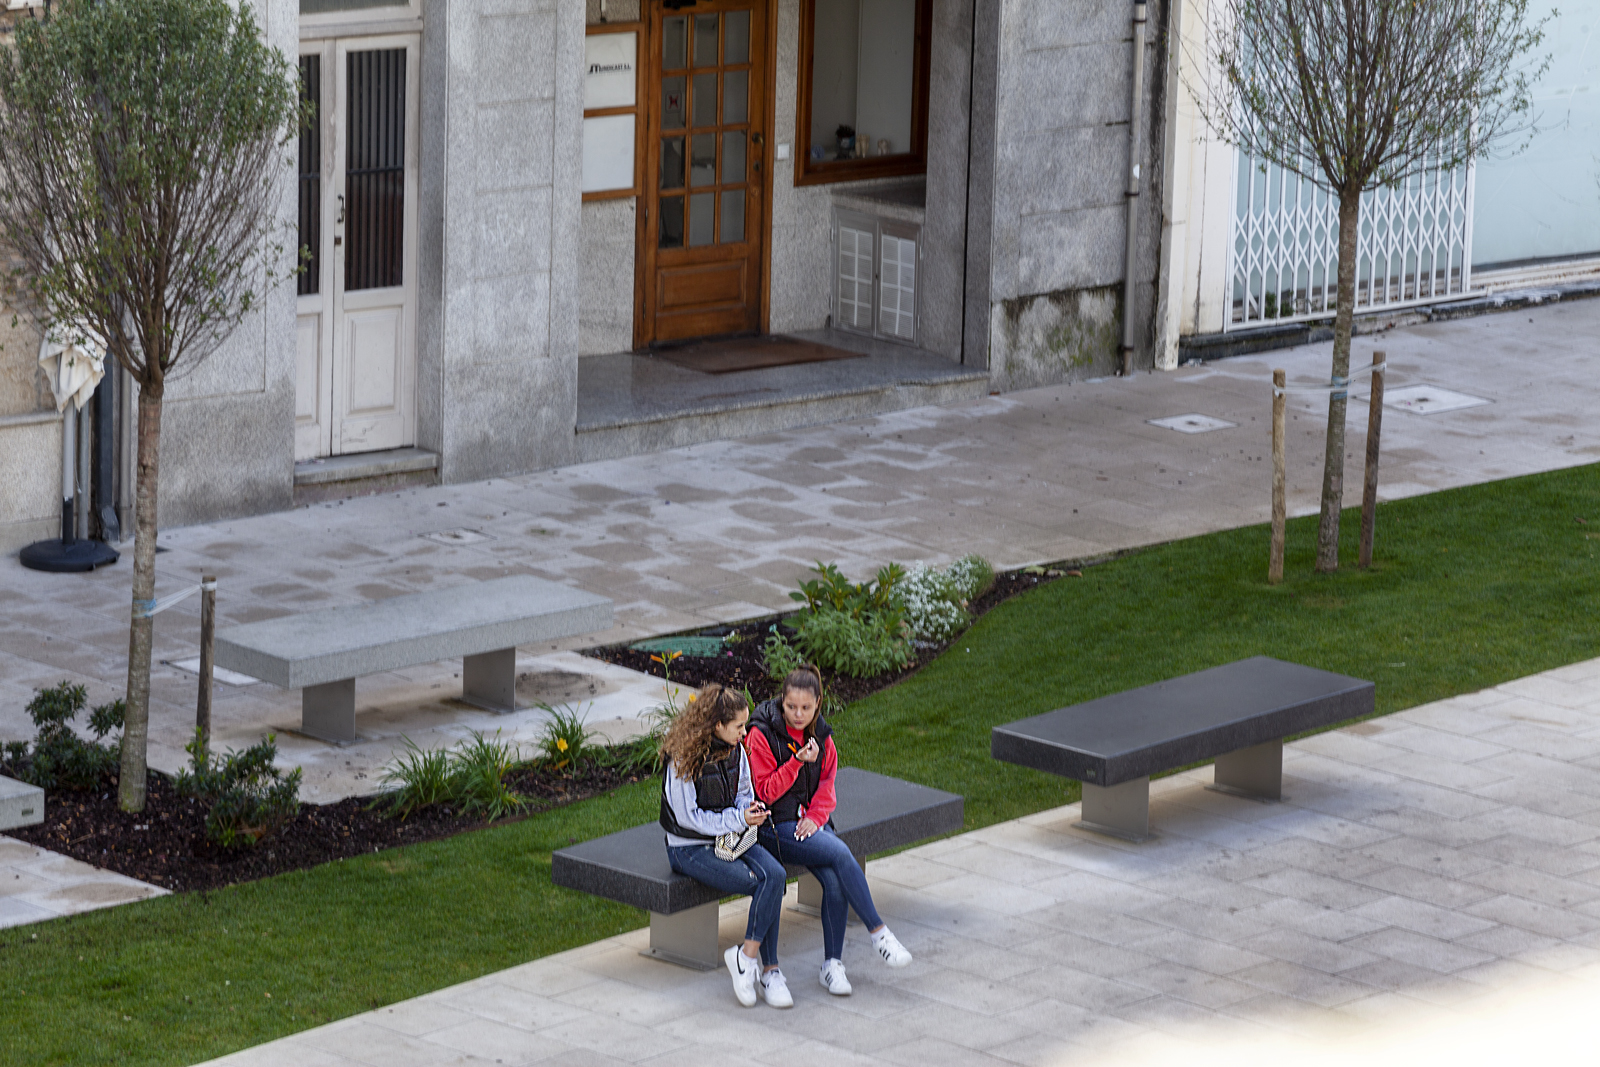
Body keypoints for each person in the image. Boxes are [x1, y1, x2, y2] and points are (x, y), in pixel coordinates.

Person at [748, 666, 912, 996]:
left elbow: (827, 783)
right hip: (772, 829)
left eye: (805, 708)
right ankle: (878, 932)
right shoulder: (760, 734)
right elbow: (764, 791)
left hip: (808, 825)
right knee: (839, 852)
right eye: (790, 706)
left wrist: (816, 816)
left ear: (818, 703)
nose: (797, 714)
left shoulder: (823, 737)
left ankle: (832, 966)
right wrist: (796, 762)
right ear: (782, 700)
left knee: (835, 880)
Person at [659, 683, 793, 1008]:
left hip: (732, 839)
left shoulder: (737, 750)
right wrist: (738, 819)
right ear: (717, 725)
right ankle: (764, 967)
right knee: (760, 882)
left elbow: (745, 791)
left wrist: (750, 812)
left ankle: (752, 962)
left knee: (775, 875)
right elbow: (689, 818)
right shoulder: (682, 759)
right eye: (738, 726)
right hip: (690, 848)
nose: (744, 733)